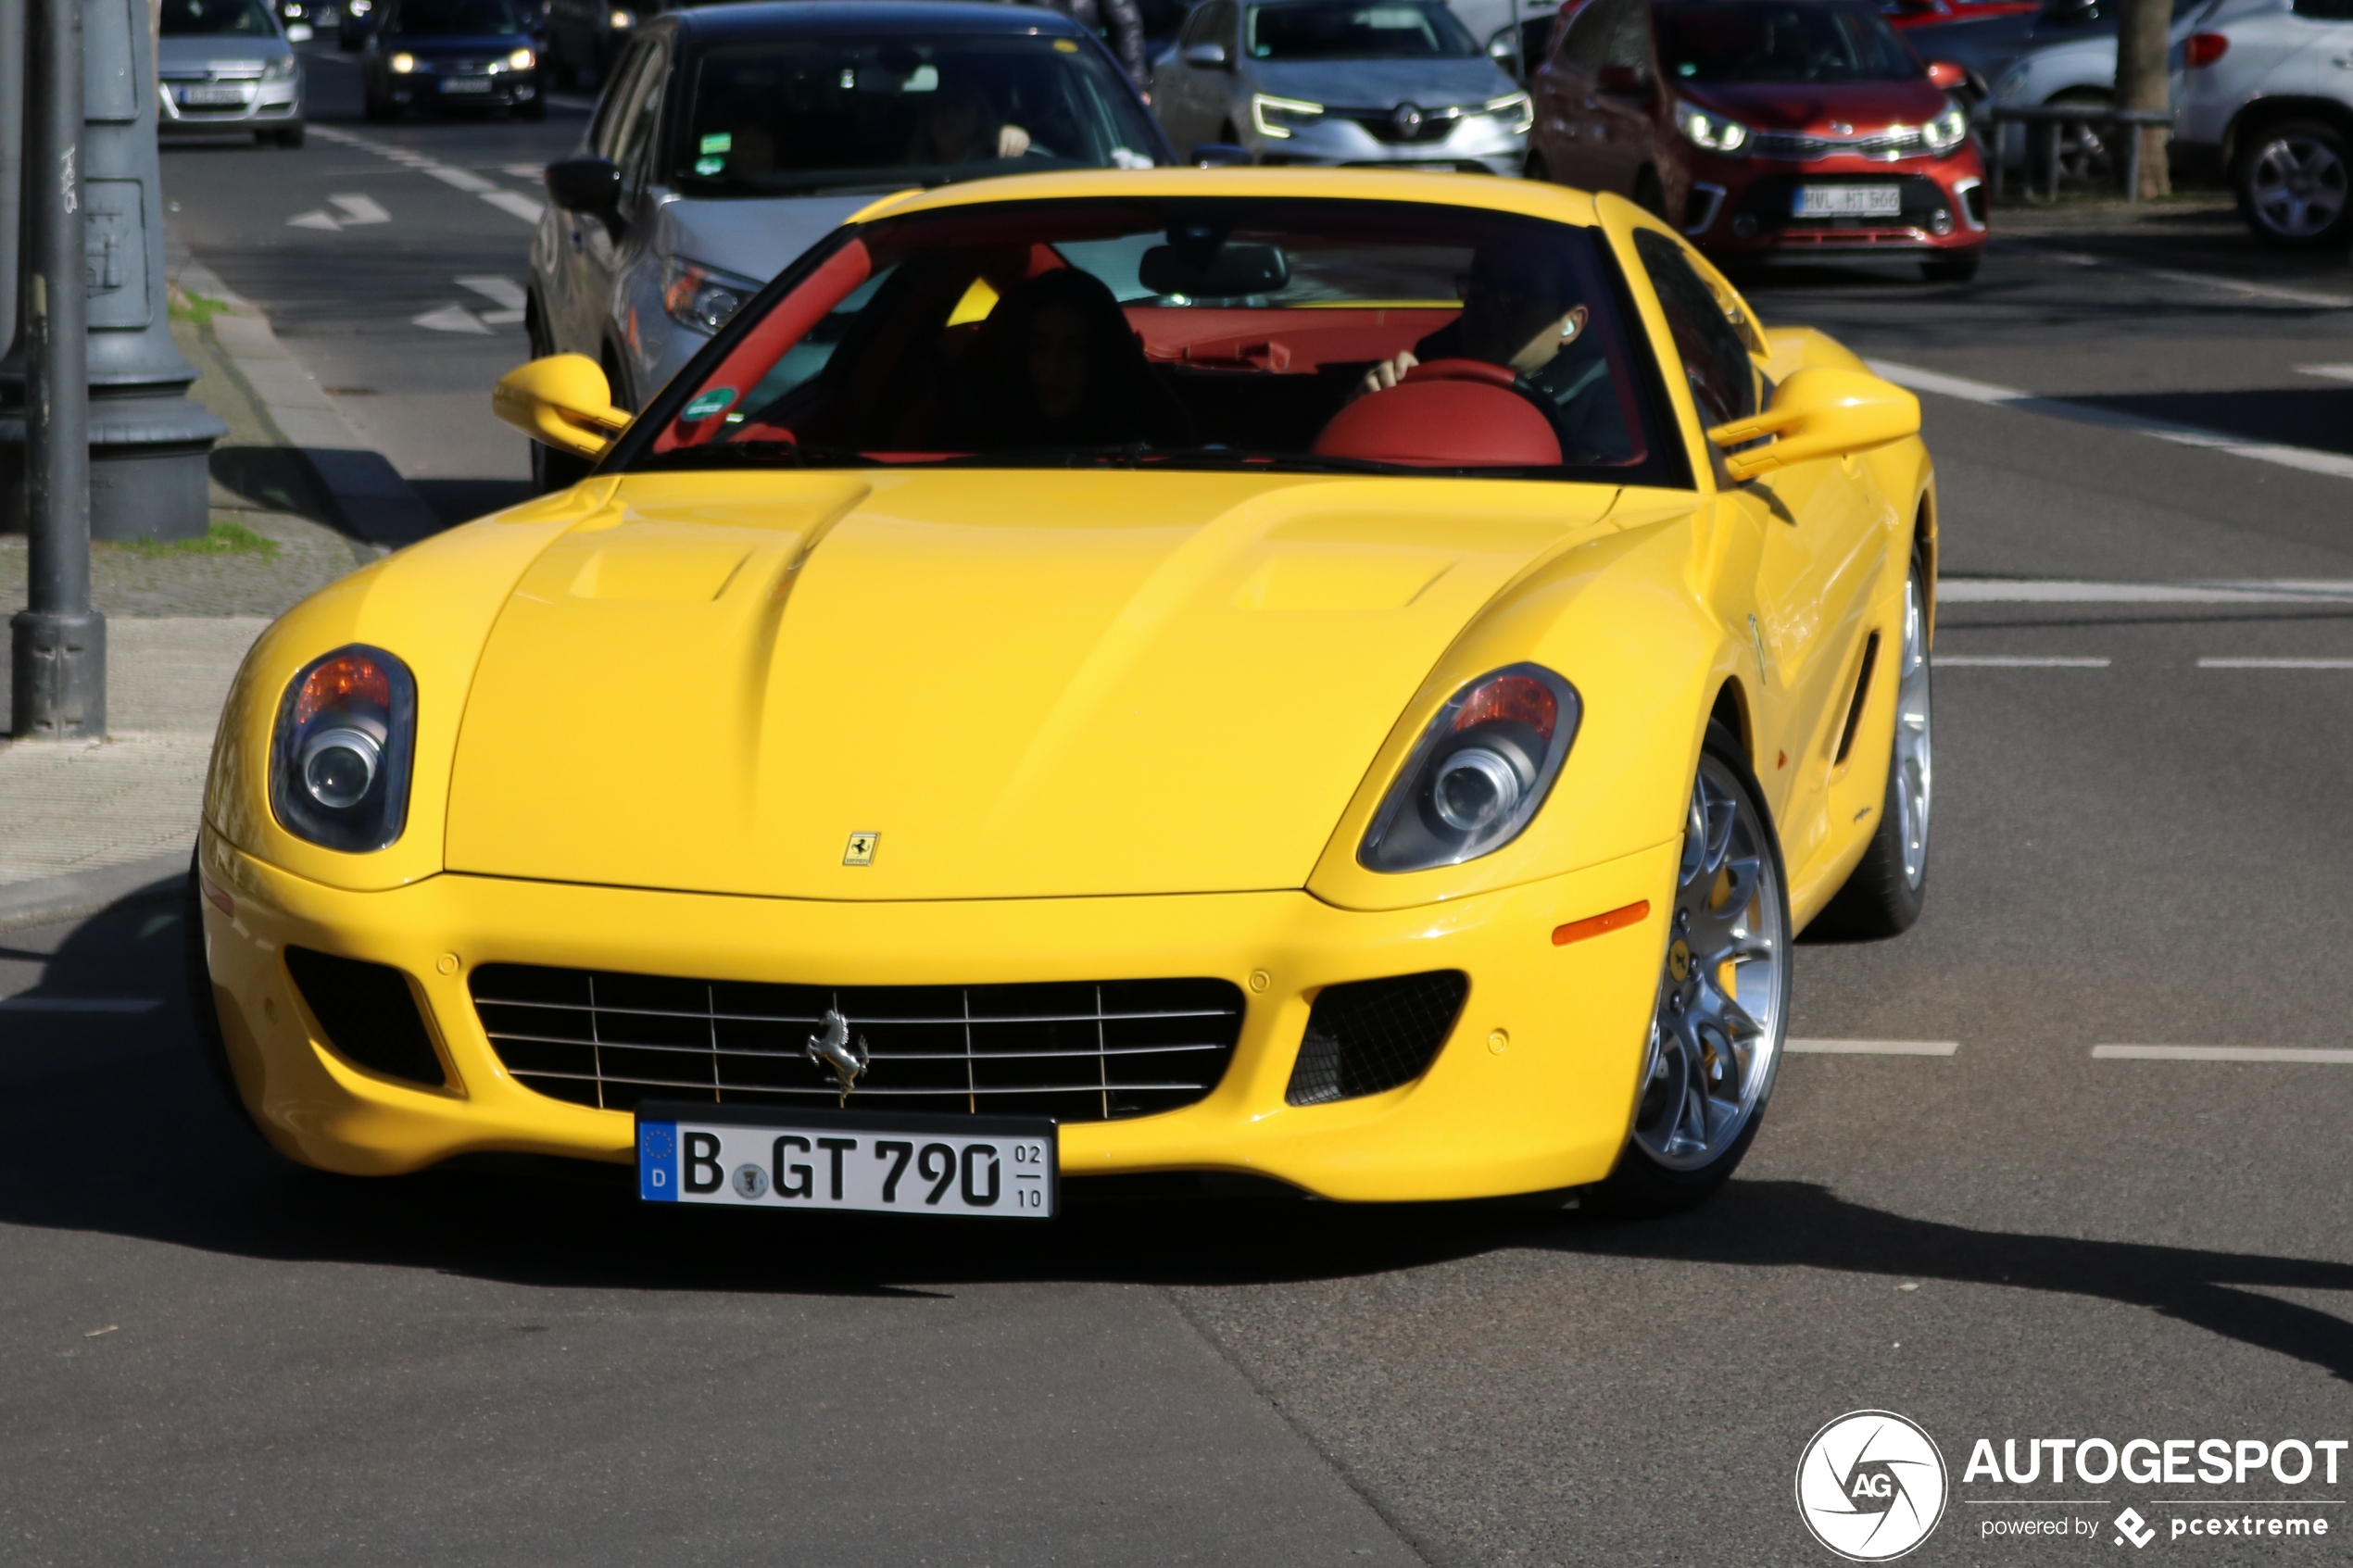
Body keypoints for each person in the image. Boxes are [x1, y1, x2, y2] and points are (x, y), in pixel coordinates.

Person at [1351, 246, 1630, 463]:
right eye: (1479, 287)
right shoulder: (1425, 364)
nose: (1487, 310)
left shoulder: (1622, 405)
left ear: (1571, 324)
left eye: (1516, 295)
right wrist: (1374, 407)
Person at [959, 269, 1192, 449]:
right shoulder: (966, 449)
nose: (1054, 367)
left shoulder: (1155, 452)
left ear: (1103, 356)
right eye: (1038, 347)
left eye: (1076, 350)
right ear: (1017, 352)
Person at [908, 77, 1032, 165]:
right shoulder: (904, 173)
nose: (949, 115)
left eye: (960, 106)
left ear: (979, 118)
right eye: (941, 106)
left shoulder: (995, 163)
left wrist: (1015, 142)